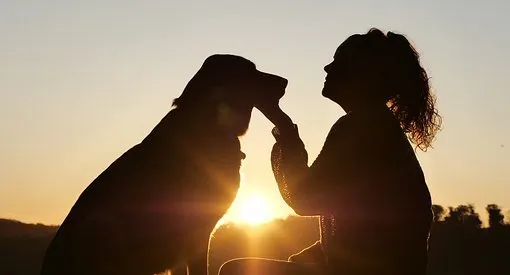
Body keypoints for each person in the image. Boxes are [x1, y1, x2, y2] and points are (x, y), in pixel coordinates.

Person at [219, 28, 442, 275]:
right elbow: (365, 228)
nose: (327, 68)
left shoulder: (361, 126)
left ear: (363, 74)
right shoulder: (377, 127)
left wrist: (282, 125)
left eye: (339, 62)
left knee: (236, 271)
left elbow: (302, 198)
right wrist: (312, 255)